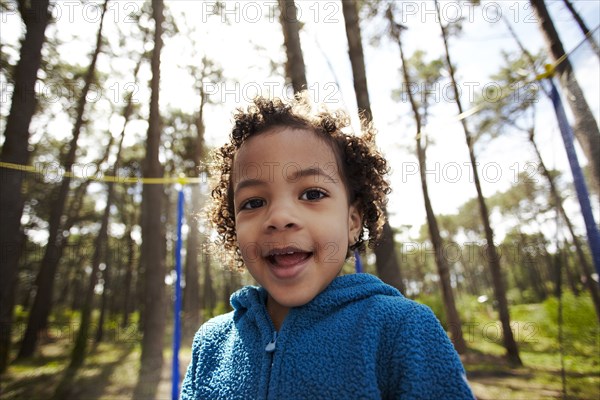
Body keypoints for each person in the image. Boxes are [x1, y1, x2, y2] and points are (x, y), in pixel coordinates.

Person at [180, 93, 475, 399]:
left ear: (351, 222)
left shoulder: (402, 329)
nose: (279, 217)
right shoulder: (211, 344)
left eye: (312, 194)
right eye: (254, 202)